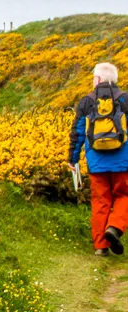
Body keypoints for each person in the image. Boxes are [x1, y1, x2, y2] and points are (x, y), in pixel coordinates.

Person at [69, 63, 128, 256]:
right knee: (124, 196)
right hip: (123, 161)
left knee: (101, 200)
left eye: (94, 77)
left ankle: (101, 246)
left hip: (96, 162)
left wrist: (73, 158)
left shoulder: (86, 101)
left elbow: (77, 133)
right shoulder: (125, 99)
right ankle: (114, 227)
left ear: (99, 79)